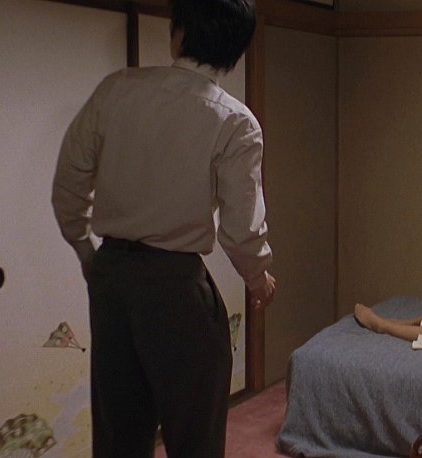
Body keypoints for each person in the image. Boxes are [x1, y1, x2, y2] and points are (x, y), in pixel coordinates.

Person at [51, 1, 275, 456]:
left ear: (179, 33)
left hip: (112, 281)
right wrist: (258, 277)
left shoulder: (117, 89)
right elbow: (240, 228)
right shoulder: (235, 121)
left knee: (118, 433)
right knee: (195, 433)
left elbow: (69, 186)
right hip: (176, 288)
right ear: (236, 51)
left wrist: (87, 252)